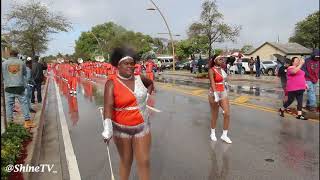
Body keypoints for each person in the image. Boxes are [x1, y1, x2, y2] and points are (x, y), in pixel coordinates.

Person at [102, 47, 154, 180]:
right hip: (121, 129)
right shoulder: (111, 83)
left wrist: (147, 95)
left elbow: (150, 83)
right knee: (126, 161)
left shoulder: (140, 78)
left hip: (142, 126)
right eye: (126, 63)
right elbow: (108, 106)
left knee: (144, 162)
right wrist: (107, 128)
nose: (130, 66)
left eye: (132, 63)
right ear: (118, 65)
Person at [2, 50, 36, 128]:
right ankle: (27, 122)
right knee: (24, 103)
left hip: (8, 87)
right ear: (17, 55)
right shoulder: (21, 63)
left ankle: (10, 123)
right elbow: (24, 73)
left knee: (9, 105)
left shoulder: (4, 64)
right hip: (19, 87)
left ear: (9, 54)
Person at [208, 55, 232, 144]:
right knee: (215, 114)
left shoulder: (222, 70)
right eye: (220, 59)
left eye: (223, 59)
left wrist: (226, 85)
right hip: (214, 93)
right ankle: (212, 133)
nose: (222, 60)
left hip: (223, 92)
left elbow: (225, 80)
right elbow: (212, 83)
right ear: (215, 61)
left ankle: (224, 135)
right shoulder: (211, 70)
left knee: (227, 113)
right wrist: (215, 94)